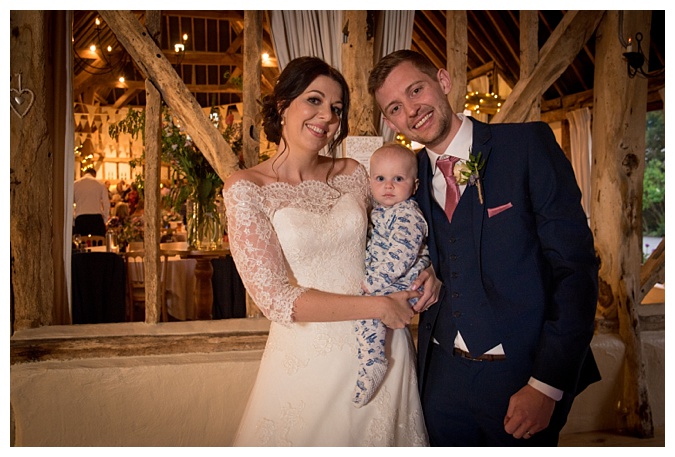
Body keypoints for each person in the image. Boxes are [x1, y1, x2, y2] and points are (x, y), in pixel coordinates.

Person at [368, 49, 600, 446]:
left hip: (521, 378)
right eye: (395, 107)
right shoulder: (405, 178)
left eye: (416, 90)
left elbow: (575, 270)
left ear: (443, 81)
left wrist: (546, 385)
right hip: (438, 382)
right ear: (391, 122)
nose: (412, 110)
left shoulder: (526, 146)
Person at [222, 56, 432, 446]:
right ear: (283, 104)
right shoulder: (246, 188)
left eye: (336, 109)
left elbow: (399, 228)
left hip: (382, 346)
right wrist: (377, 306)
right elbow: (275, 300)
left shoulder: (354, 173)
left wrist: (427, 271)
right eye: (314, 100)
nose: (327, 117)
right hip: (309, 357)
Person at [353, 143, 430, 407]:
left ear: (415, 185)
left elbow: (401, 254)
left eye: (398, 179)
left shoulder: (407, 214)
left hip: (404, 282)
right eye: (381, 179)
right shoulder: (383, 211)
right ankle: (370, 358)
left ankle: (373, 361)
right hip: (391, 280)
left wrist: (374, 282)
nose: (389, 186)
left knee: (366, 313)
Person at [73, 167, 110, 237]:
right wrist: (104, 220)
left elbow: (70, 204)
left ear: (84, 173)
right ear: (94, 175)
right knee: (99, 243)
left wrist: (73, 221)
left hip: (81, 218)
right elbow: (106, 204)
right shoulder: (100, 184)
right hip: (96, 219)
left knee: (81, 244)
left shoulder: (75, 184)